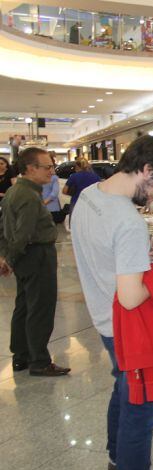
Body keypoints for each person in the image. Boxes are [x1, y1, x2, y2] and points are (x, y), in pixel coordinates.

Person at [70, 135, 153, 470]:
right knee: (143, 411)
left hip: (105, 322)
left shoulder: (89, 196)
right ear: (147, 171)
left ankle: (118, 458)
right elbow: (132, 296)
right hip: (133, 327)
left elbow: (108, 260)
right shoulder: (128, 221)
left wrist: (142, 260)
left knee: (124, 388)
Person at [0, 148, 70, 376]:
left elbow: (4, 229)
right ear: (31, 168)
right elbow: (24, 234)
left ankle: (21, 355)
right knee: (40, 308)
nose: (52, 171)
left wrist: (6, 256)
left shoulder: (15, 191)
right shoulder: (28, 195)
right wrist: (9, 259)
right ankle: (39, 360)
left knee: (25, 306)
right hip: (36, 255)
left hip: (26, 256)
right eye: (47, 167)